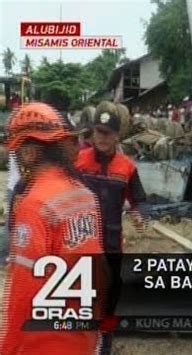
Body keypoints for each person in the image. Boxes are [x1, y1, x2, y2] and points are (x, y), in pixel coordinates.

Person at [1, 103, 106, 355]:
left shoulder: (35, 204)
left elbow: (24, 293)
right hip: (82, 334)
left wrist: (7, 348)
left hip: (46, 342)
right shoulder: (84, 195)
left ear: (28, 152)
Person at [75, 103, 146, 354]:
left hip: (112, 245)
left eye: (107, 133)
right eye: (98, 131)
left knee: (109, 301)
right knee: (81, 299)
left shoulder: (127, 167)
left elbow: (140, 201)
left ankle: (105, 346)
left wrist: (140, 217)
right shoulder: (78, 162)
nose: (101, 138)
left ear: (117, 135)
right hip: (80, 243)